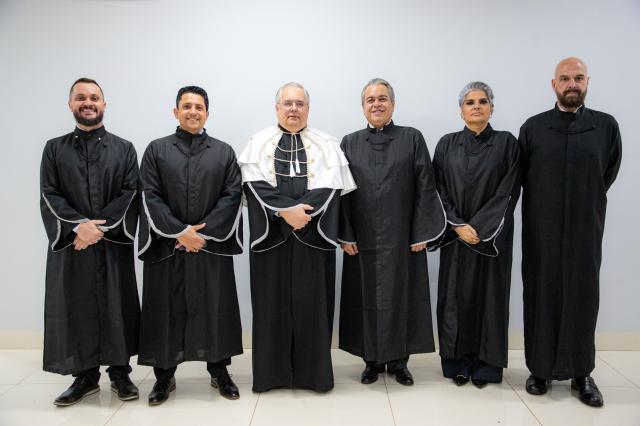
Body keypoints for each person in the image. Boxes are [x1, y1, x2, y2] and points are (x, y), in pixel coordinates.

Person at [238, 82, 356, 392]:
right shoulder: (257, 142)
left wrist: (300, 215)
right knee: (270, 308)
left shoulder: (327, 143)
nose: (293, 109)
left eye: (300, 104)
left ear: (308, 108)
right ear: (277, 107)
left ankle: (313, 376)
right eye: (288, 103)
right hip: (271, 237)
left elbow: (331, 185)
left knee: (312, 308)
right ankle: (271, 376)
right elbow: (254, 184)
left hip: (314, 236)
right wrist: (284, 212)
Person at [520, 57, 622, 407]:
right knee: (541, 292)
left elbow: (607, 172)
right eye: (565, 78)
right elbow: (523, 175)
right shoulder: (533, 128)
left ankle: (582, 373)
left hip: (585, 227)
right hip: (542, 229)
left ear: (587, 82)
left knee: (583, 296)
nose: (572, 84)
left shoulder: (605, 127)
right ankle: (540, 370)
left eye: (578, 77)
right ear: (554, 84)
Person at [138, 86, 244, 405]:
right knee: (165, 309)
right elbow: (149, 194)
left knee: (215, 307)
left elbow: (232, 195)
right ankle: (163, 376)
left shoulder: (223, 152)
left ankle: (219, 371)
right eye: (186, 106)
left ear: (207, 113)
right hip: (168, 247)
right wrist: (179, 232)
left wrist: (201, 235)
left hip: (209, 247)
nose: (193, 112)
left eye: (199, 107)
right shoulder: (157, 150)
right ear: (176, 112)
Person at [338, 78, 446, 386]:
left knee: (403, 296)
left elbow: (426, 185)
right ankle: (371, 361)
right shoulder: (349, 142)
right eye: (370, 99)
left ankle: (400, 362)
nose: (377, 104)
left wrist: (421, 232)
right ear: (363, 107)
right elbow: (341, 192)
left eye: (382, 98)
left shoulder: (412, 138)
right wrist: (346, 234)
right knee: (365, 296)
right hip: (362, 239)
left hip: (402, 237)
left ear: (393, 104)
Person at [40, 77, 140, 406]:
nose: (88, 103)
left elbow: (130, 192)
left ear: (103, 104)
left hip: (111, 244)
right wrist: (76, 227)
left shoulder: (124, 149)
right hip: (73, 245)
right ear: (70, 104)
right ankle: (85, 376)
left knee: (116, 304)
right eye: (81, 97)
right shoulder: (54, 149)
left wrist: (98, 229)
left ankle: (120, 373)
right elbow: (49, 193)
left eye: (94, 98)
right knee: (76, 305)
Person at [431, 82, 520, 388]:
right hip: (455, 237)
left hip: (491, 239)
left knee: (489, 299)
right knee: (454, 300)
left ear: (491, 108)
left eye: (483, 101)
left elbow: (508, 190)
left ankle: (486, 366)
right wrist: (457, 224)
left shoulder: (507, 144)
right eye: (470, 102)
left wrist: (480, 229)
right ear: (461, 110)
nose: (477, 106)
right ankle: (456, 362)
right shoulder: (446, 145)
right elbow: (437, 189)